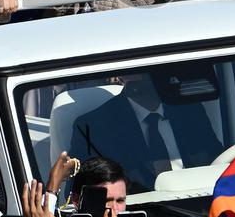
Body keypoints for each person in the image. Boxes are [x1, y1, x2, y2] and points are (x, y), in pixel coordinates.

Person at [69, 71, 222, 193]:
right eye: (139, 70)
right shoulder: (93, 127)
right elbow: (79, 191)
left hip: (200, 214)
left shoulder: (190, 112)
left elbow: (218, 162)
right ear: (123, 75)